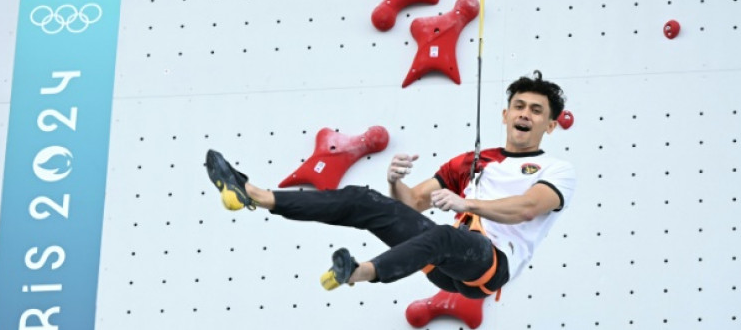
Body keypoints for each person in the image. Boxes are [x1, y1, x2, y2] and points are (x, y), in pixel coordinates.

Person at [204, 71, 576, 298]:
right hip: (443, 262)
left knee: (445, 237)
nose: (525, 114)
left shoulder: (555, 169)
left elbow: (528, 207)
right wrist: (395, 181)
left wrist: (468, 206)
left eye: (536, 110)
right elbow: (413, 203)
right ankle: (254, 194)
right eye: (519, 106)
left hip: (490, 265)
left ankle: (359, 271)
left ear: (551, 125)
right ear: (506, 114)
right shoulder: (471, 162)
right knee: (363, 200)